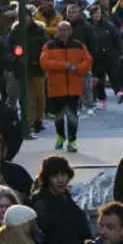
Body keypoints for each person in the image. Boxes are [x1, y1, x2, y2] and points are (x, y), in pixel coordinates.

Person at [39, 20, 92, 152]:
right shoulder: (49, 46)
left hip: (73, 88)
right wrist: (64, 66)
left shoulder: (79, 46)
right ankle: (60, 136)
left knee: (73, 115)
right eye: (60, 30)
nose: (62, 33)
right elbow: (44, 63)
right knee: (58, 116)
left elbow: (88, 61)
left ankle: (72, 140)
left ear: (70, 31)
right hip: (56, 88)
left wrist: (77, 68)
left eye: (65, 30)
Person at [29, 156, 91, 244]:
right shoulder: (40, 206)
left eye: (63, 174)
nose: (60, 180)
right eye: (55, 175)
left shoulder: (67, 199)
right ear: (47, 178)